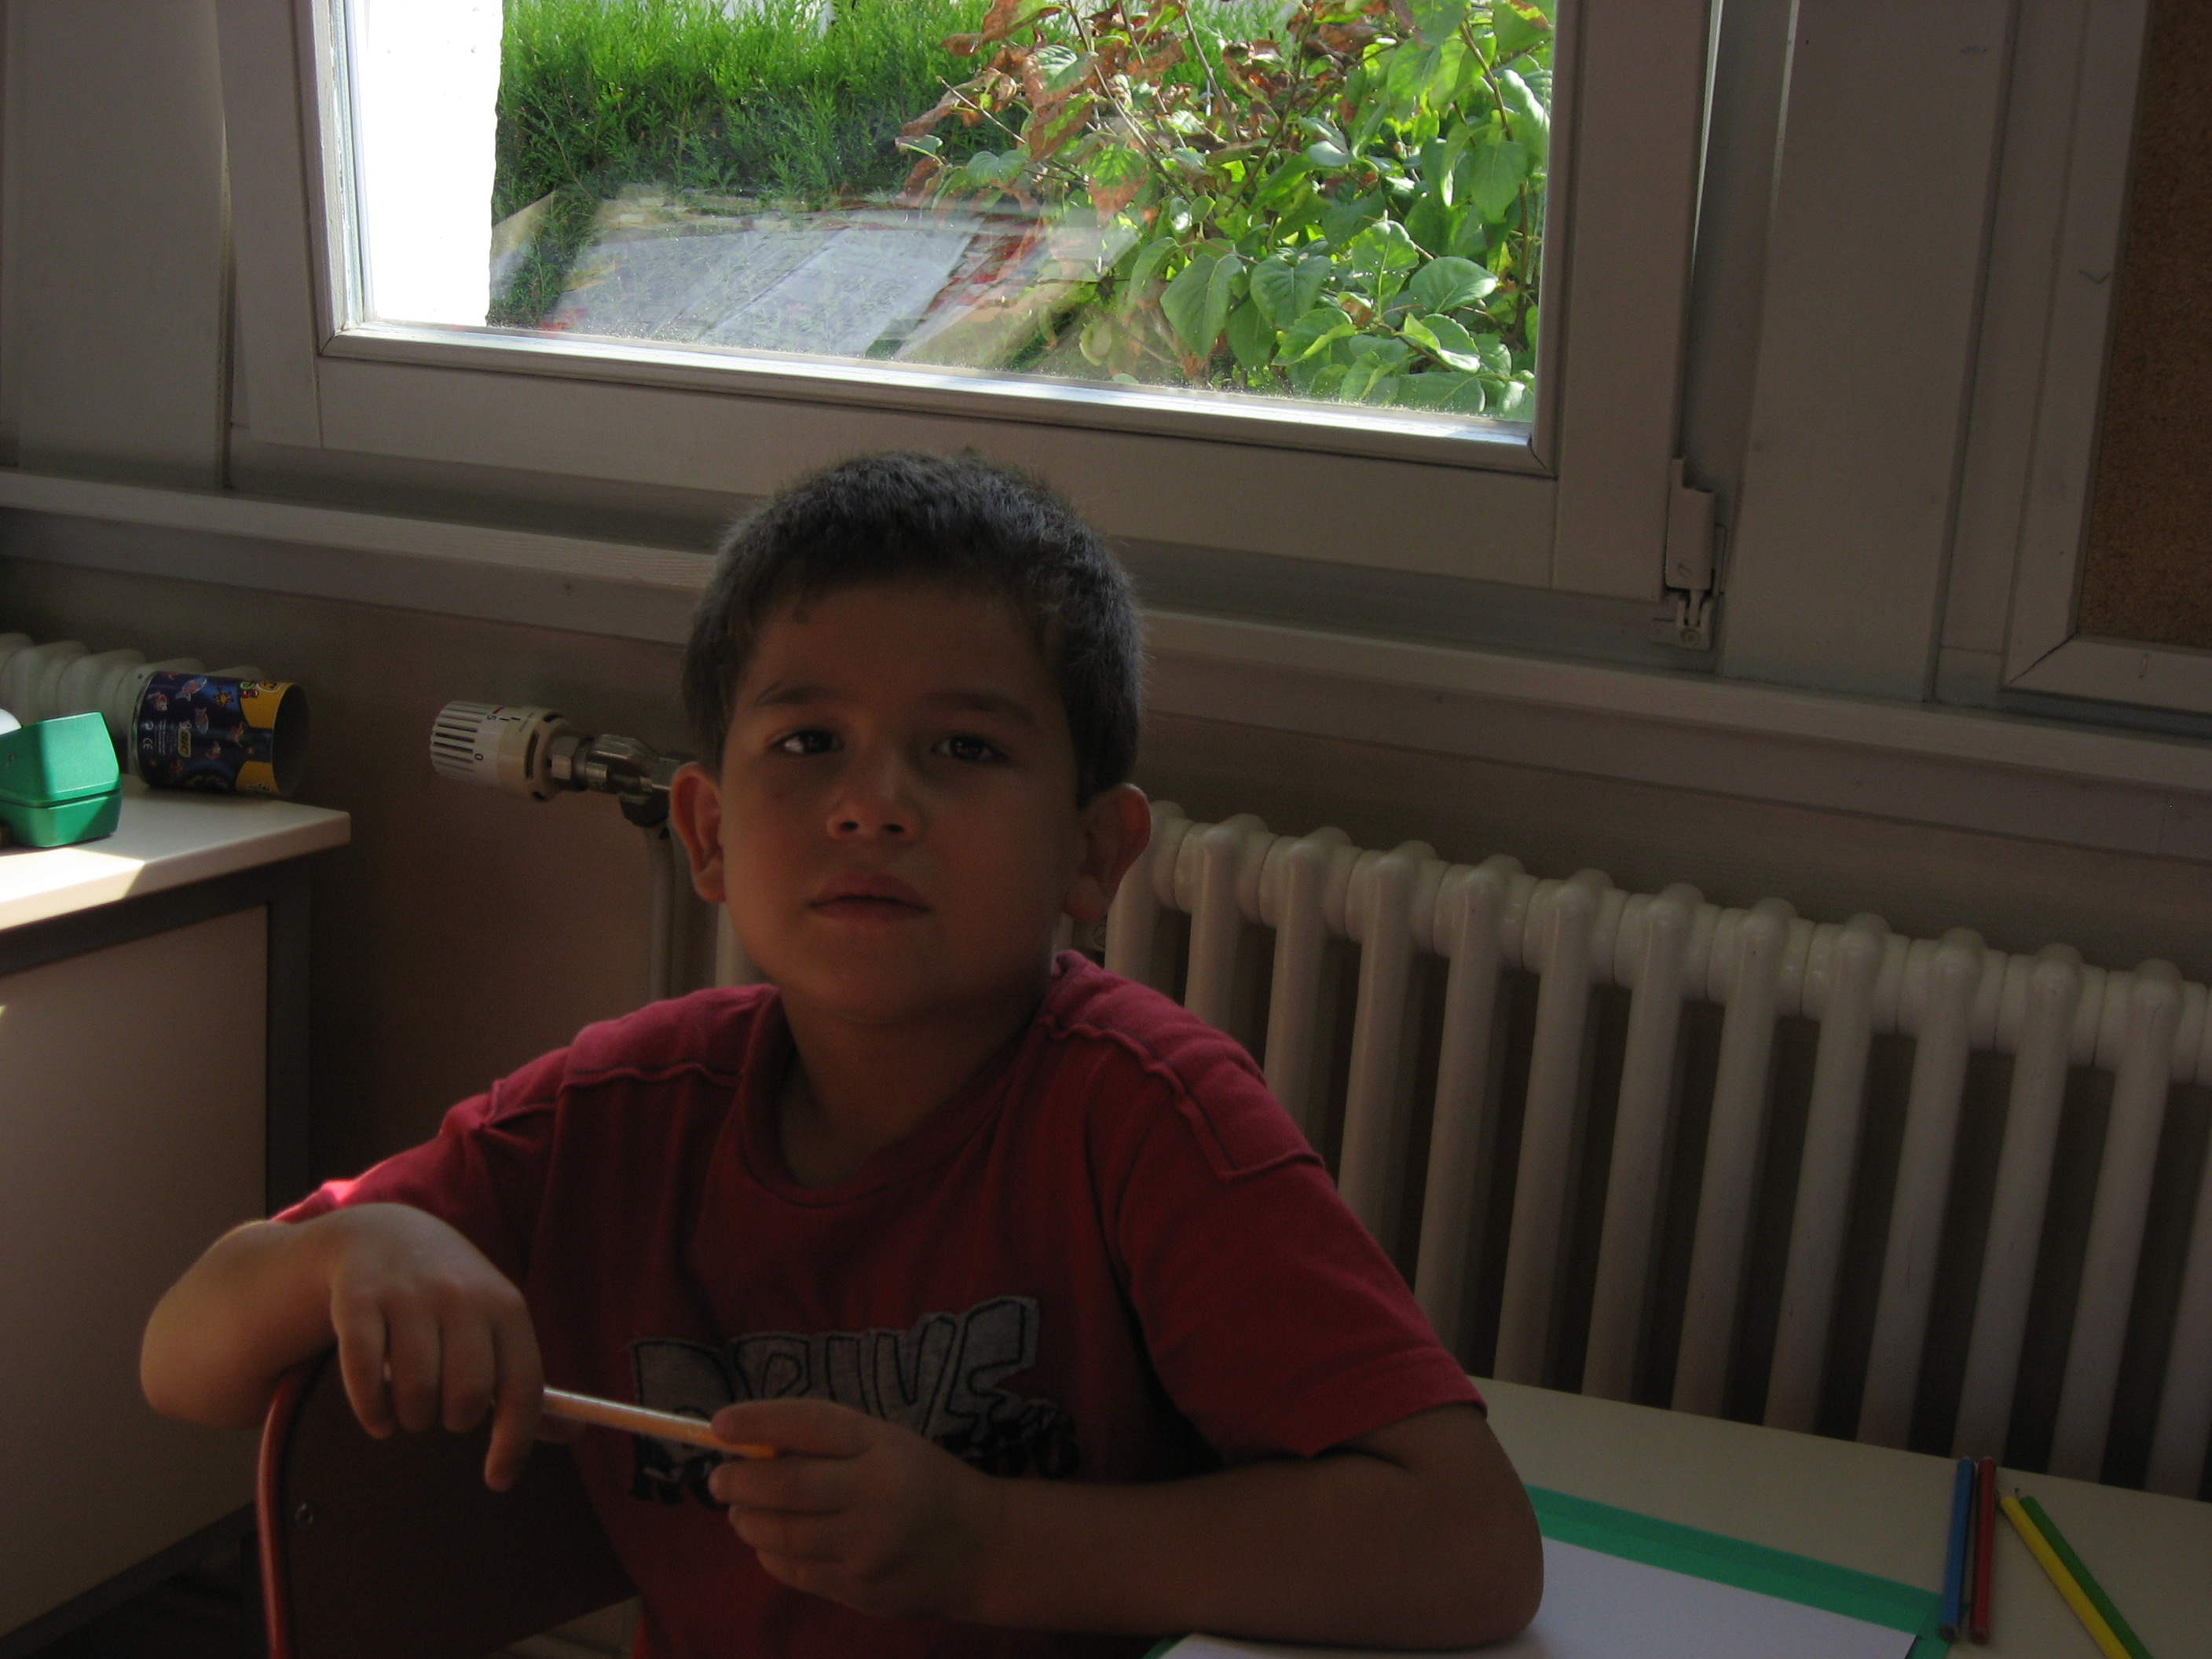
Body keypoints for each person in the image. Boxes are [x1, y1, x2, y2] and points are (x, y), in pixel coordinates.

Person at [141, 452, 1543, 1658]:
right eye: (809, 740)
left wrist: (987, 1546)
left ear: (1091, 852)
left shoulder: (1149, 1118)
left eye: (965, 749)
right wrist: (357, 1249)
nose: (874, 805)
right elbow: (182, 1361)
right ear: (706, 833)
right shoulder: (617, 1118)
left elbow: (1467, 1541)